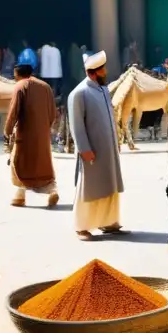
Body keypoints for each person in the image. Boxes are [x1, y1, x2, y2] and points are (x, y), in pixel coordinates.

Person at [68, 50, 125, 240]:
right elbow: (76, 125)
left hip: (108, 150)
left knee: (110, 185)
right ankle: (81, 226)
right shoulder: (79, 93)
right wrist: (85, 149)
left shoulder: (103, 90)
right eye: (103, 69)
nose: (106, 72)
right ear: (94, 72)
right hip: (92, 152)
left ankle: (109, 222)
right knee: (89, 188)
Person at [5, 48, 59, 208]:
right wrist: (46, 128)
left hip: (24, 134)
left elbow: (13, 111)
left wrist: (7, 131)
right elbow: (52, 113)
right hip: (42, 134)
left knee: (19, 162)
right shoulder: (46, 86)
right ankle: (52, 191)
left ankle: (20, 195)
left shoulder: (20, 86)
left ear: (18, 75)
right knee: (43, 164)